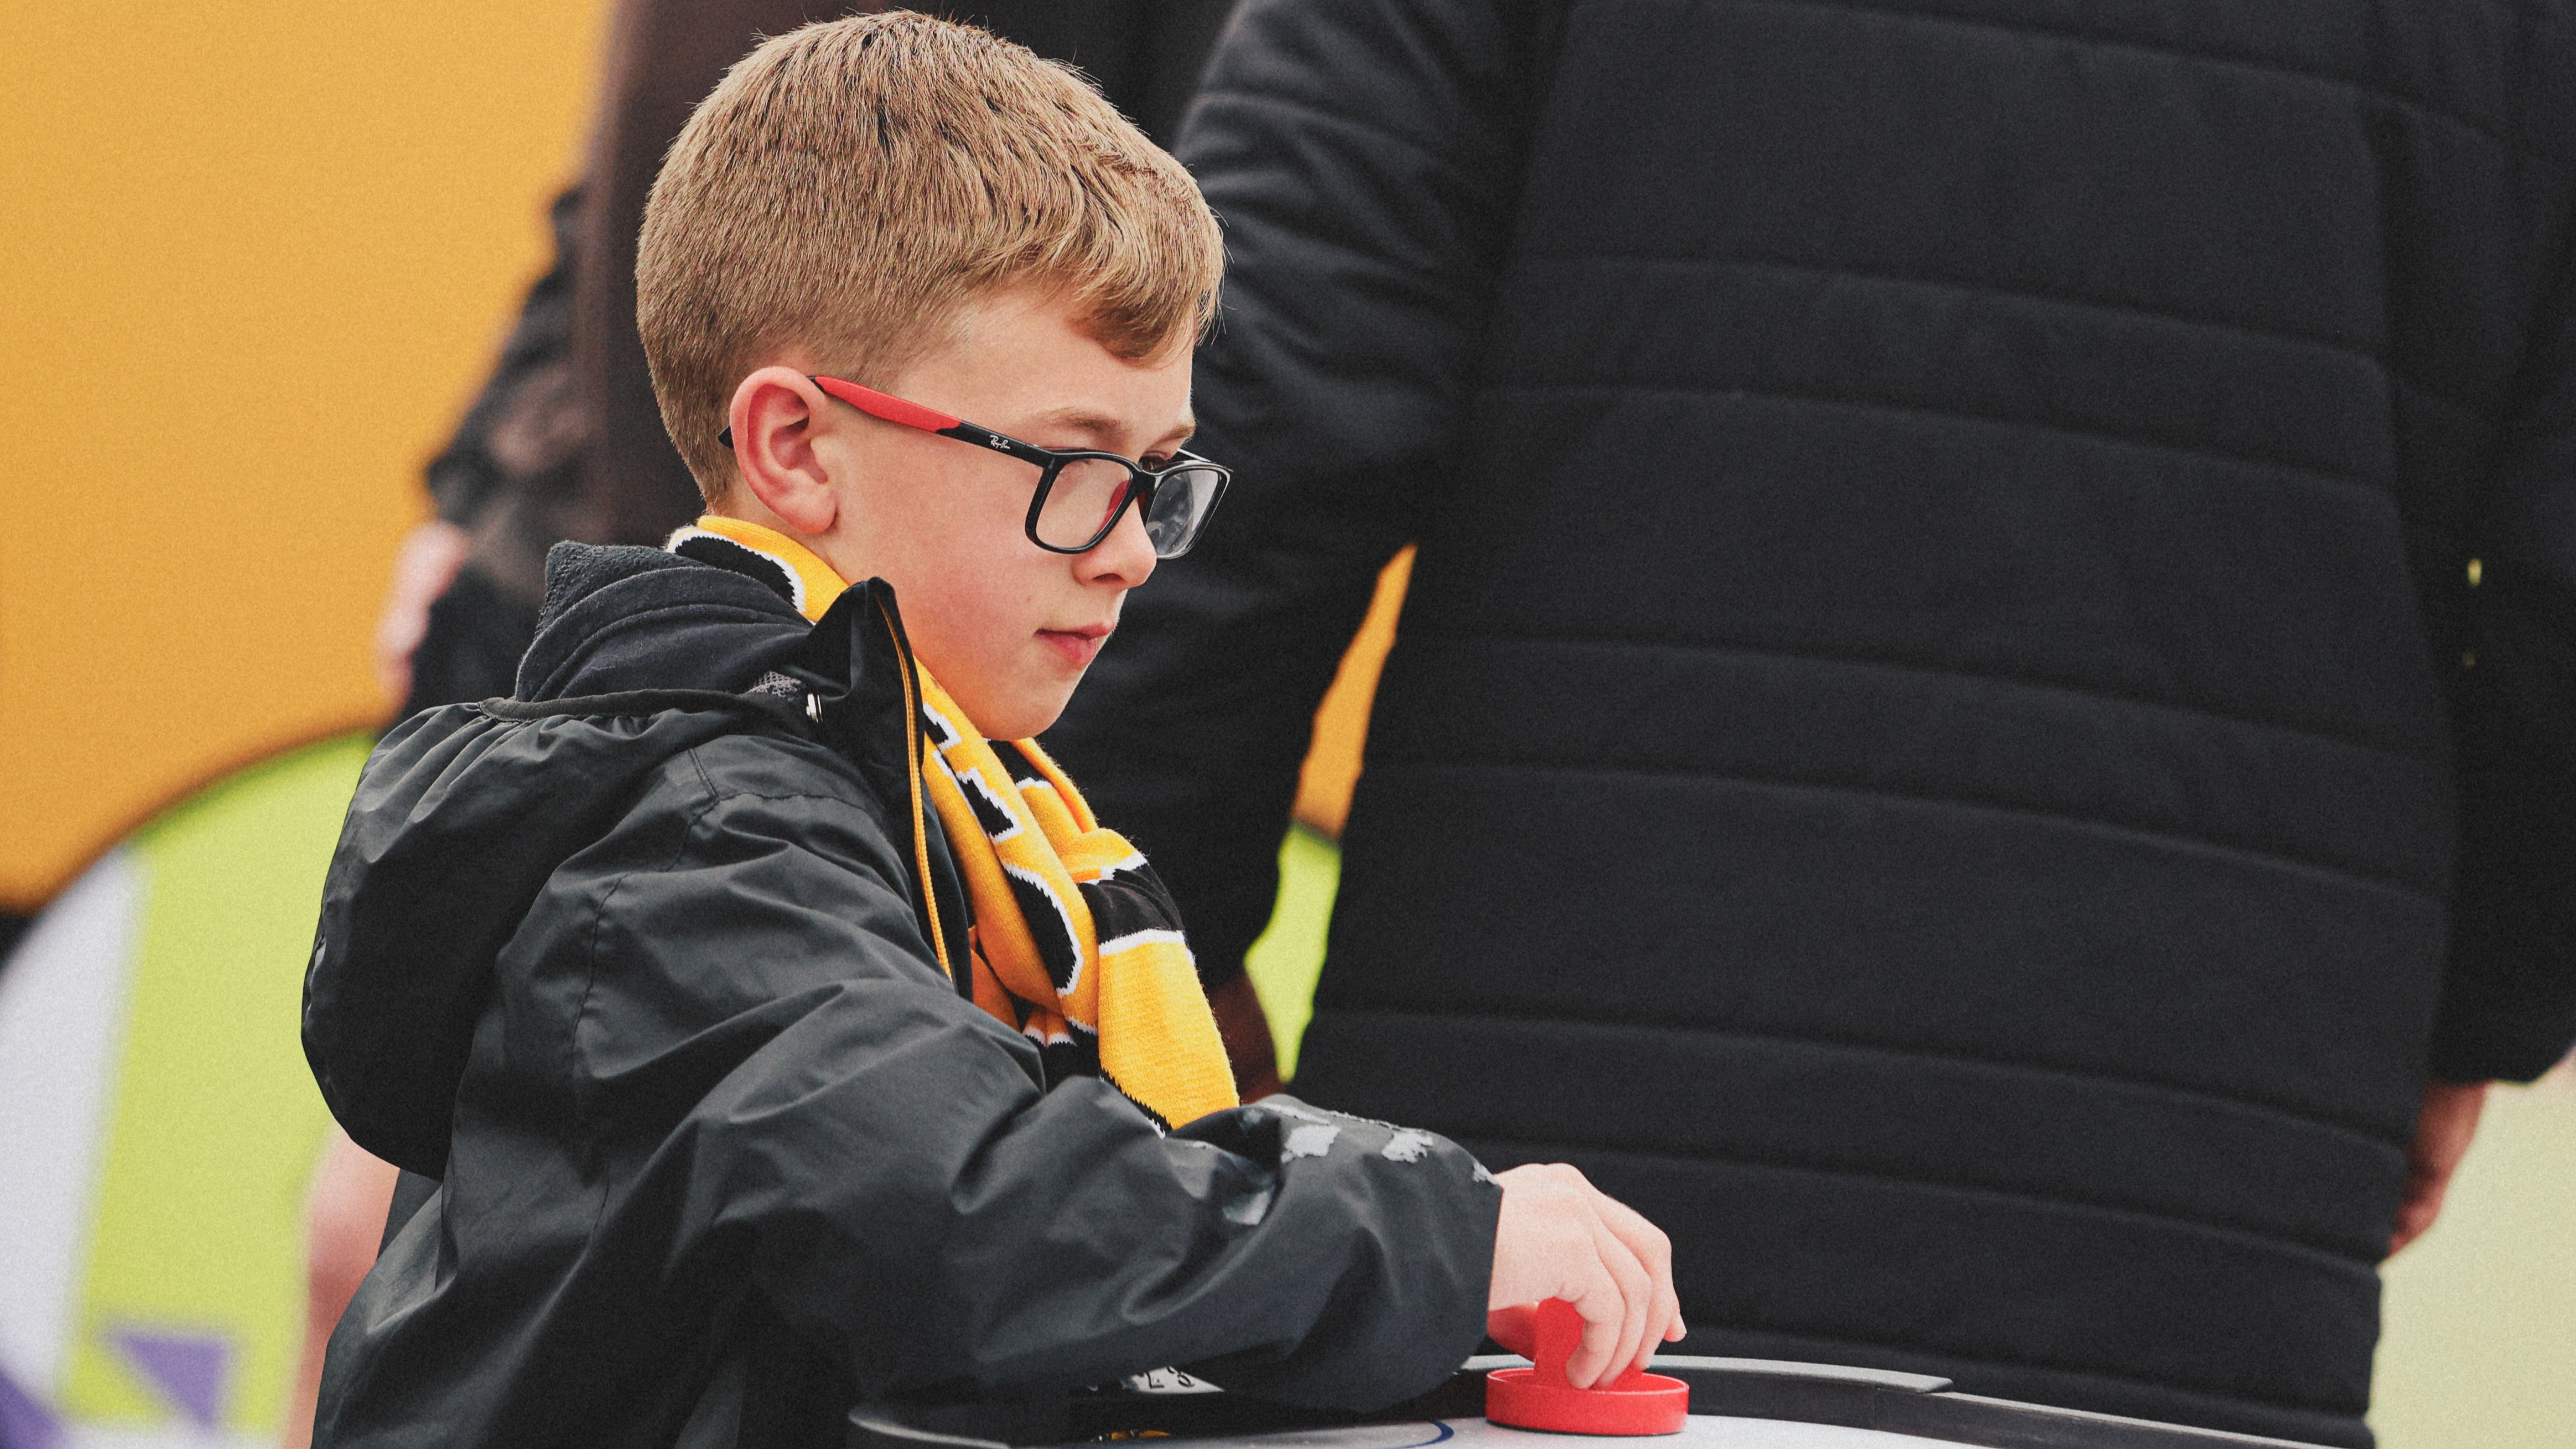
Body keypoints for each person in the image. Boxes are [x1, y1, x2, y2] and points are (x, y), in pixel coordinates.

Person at [1041, 2, 2576, 1447]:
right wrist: (2479, 1019)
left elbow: (1251, 404)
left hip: (1541, 1250)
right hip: (2185, 1235)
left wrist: (1143, 956)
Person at [299, 17, 1683, 1447]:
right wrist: (1443, 1238)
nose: (1133, 552)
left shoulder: (991, 822)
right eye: (1077, 465)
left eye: (1159, 476)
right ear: (794, 446)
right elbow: (962, 1203)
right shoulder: (691, 830)